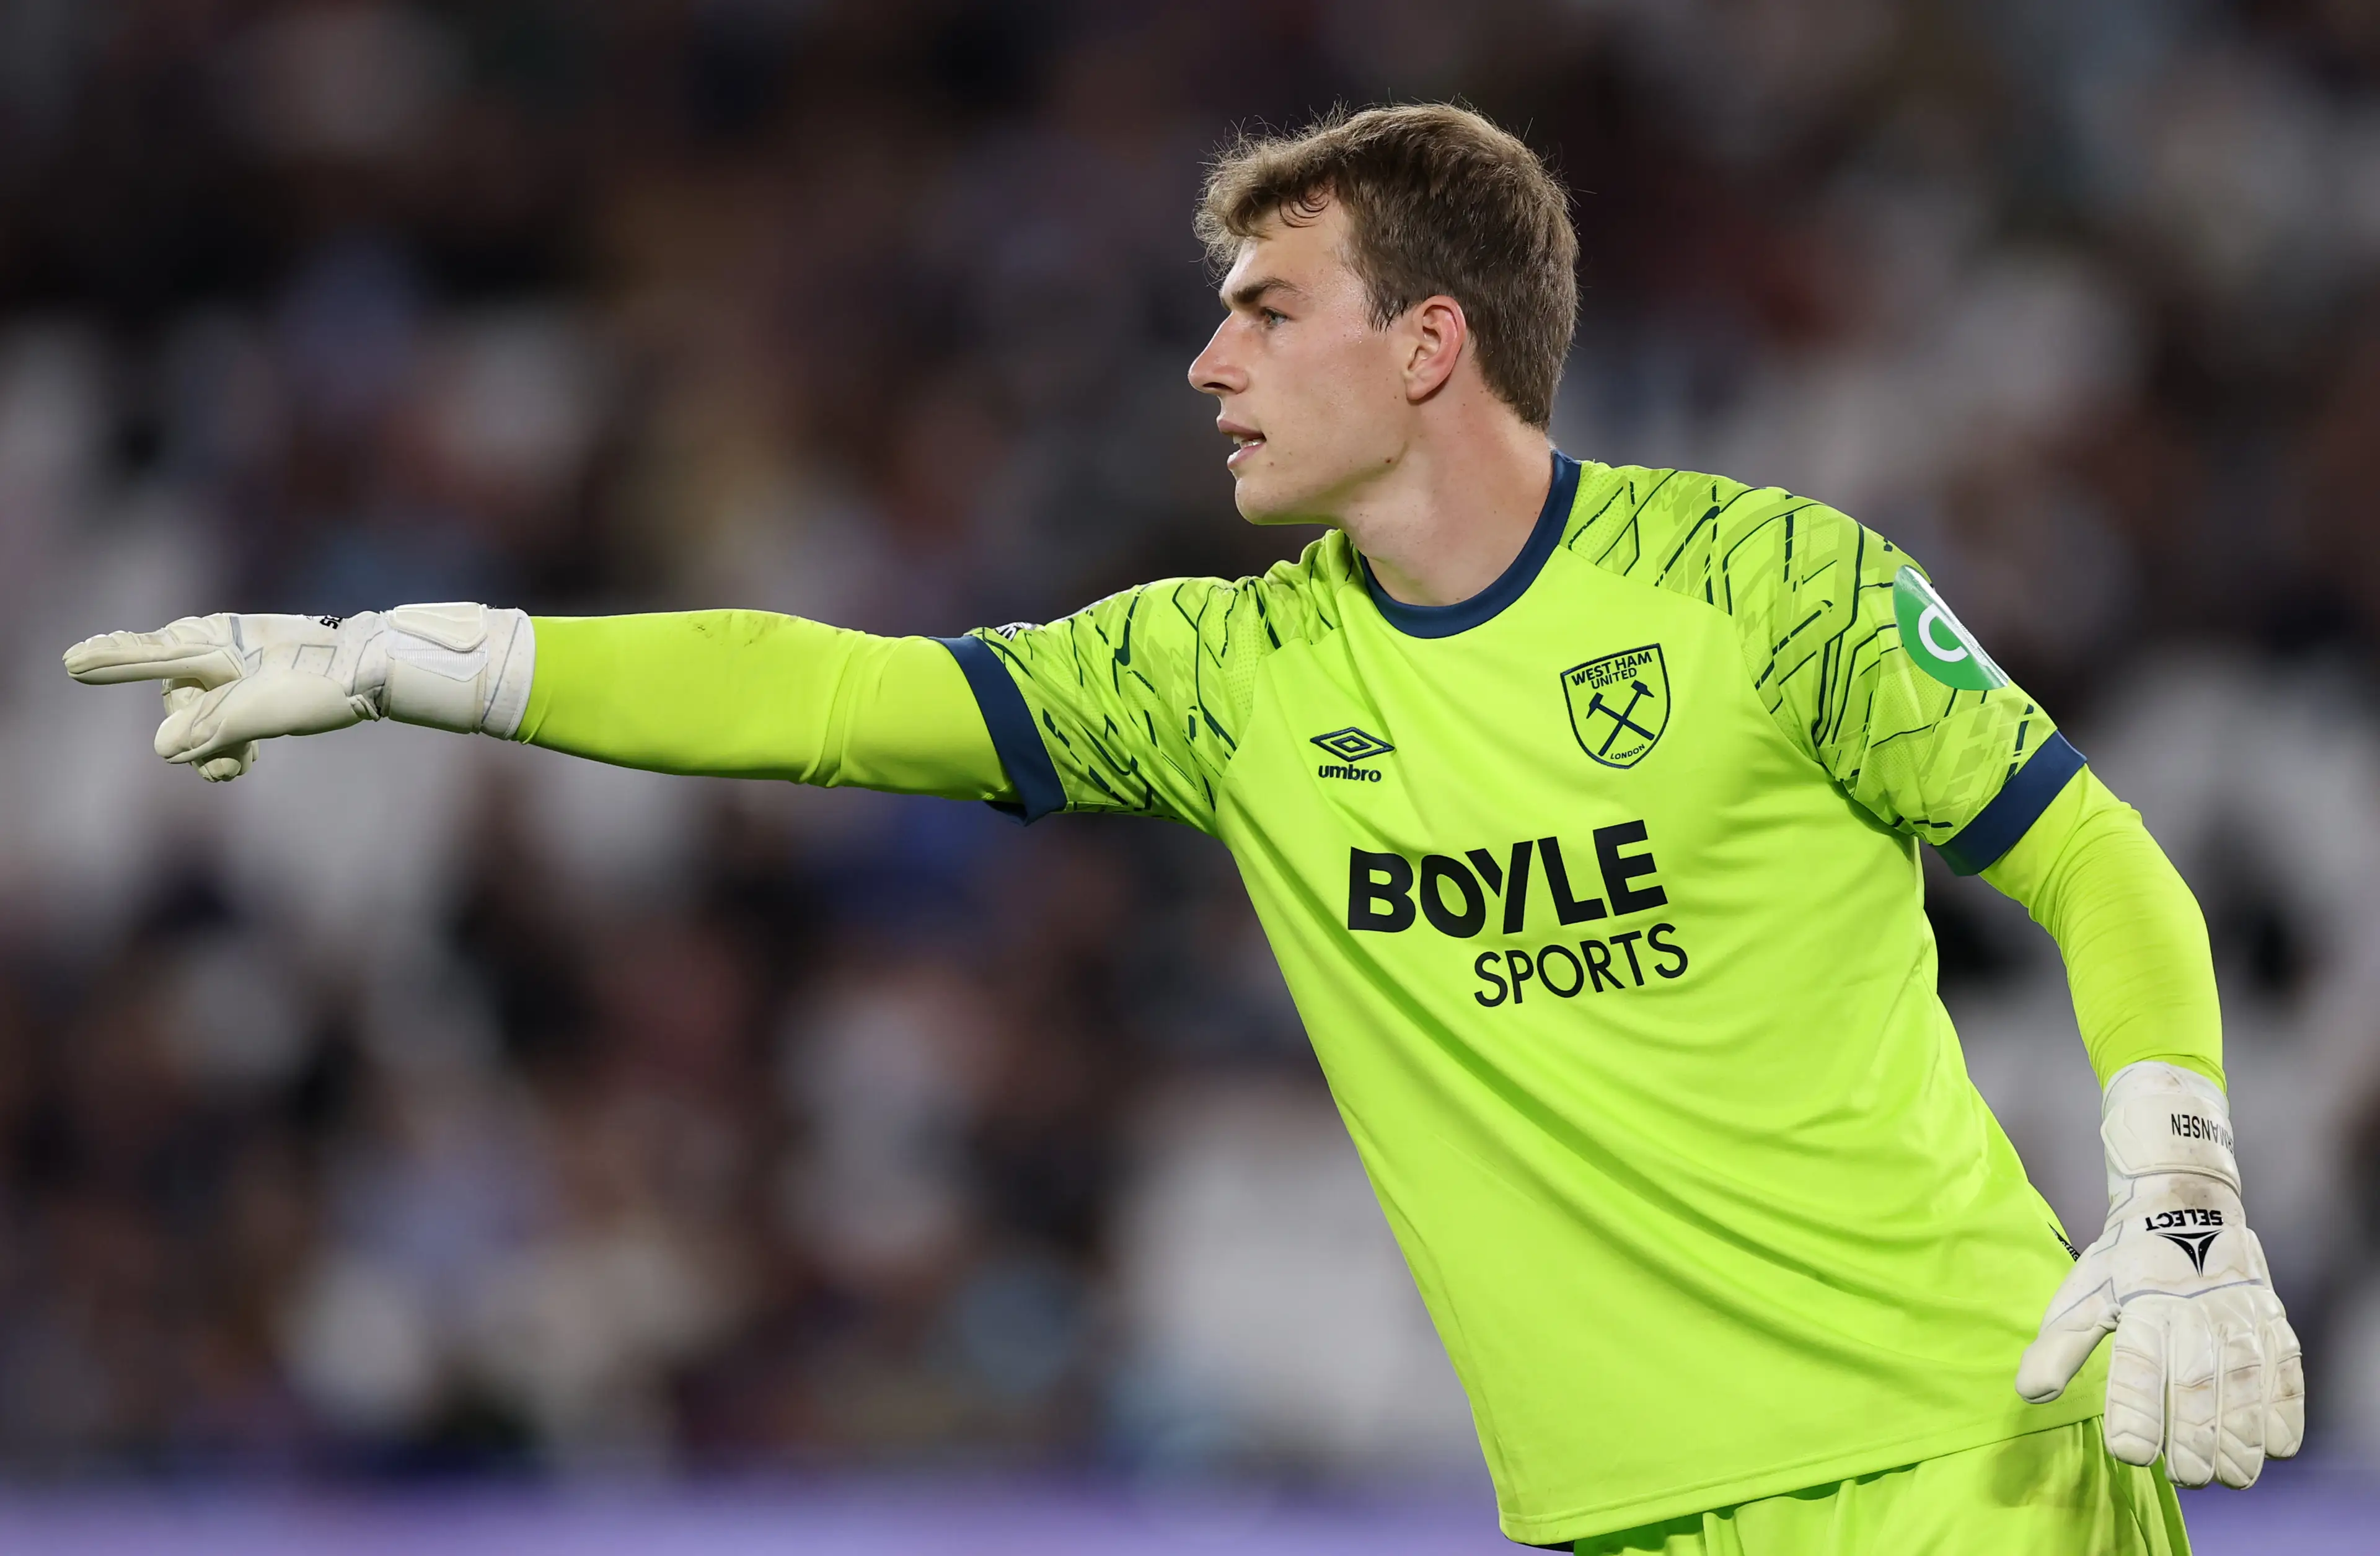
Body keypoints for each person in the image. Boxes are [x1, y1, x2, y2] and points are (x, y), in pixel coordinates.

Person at [64, 104, 2298, 1554]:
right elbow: (836, 699)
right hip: (1612, 1508)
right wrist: (429, 657)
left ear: (1428, 345)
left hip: (1958, 1458)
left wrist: (2182, 1186)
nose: (1210, 365)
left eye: (1265, 312)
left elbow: (2098, 860)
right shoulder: (1229, 675)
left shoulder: (1764, 580)